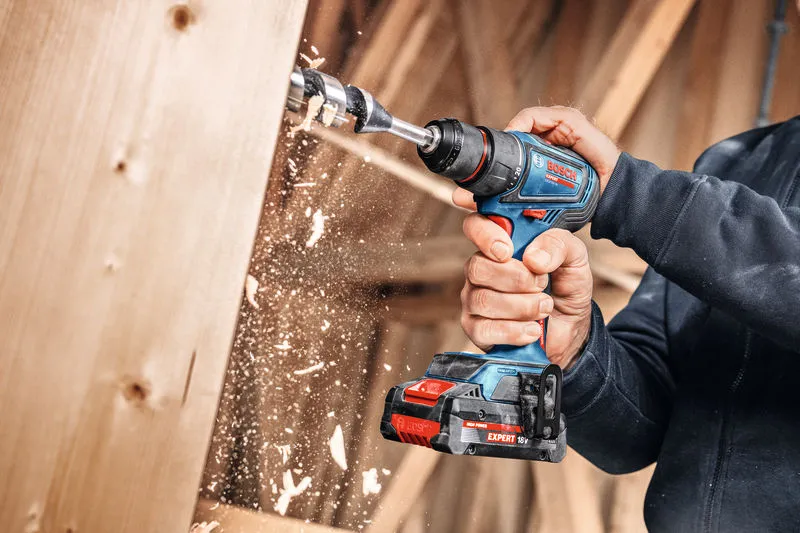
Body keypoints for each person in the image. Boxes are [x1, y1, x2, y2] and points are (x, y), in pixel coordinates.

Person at [453, 102, 800, 532]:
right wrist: (575, 351)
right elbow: (635, 436)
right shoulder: (740, 159)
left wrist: (629, 191)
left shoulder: (692, 184)